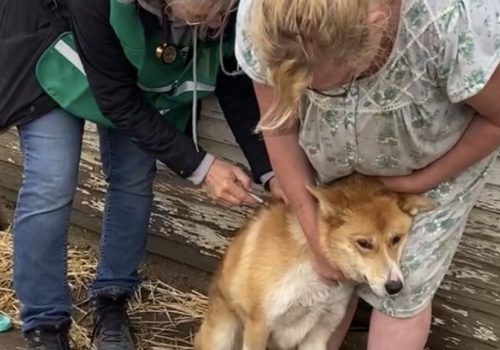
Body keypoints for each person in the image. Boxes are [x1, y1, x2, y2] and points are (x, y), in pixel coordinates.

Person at [0, 0, 283, 349]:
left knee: (134, 173)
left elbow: (236, 82)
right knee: (51, 180)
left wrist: (272, 171)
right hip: (54, 45)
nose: (215, 26)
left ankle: (112, 300)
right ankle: (45, 324)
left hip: (129, 59)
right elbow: (117, 100)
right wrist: (202, 167)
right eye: (203, 19)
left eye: (223, 14)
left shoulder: (227, 9)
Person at [235, 0, 500, 349]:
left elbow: (496, 118)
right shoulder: (263, 18)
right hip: (332, 162)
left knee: (407, 284)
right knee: (333, 270)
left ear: (375, 27)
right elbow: (280, 127)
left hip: (437, 158)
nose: (309, 91)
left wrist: (423, 181)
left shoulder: (448, 19)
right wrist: (314, 233)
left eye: (323, 85)